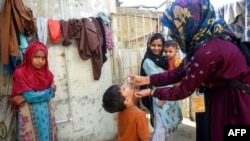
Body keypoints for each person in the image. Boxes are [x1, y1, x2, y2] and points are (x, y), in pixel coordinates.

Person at [129, 0, 250, 141]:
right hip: (223, 96)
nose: (173, 32)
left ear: (190, 21)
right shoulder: (206, 40)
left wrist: (151, 92)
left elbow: (183, 90)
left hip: (235, 102)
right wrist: (147, 79)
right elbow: (179, 72)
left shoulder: (205, 52)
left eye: (176, 26)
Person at [11, 41, 58, 141]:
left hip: (46, 113)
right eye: (36, 57)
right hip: (28, 113)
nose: (40, 61)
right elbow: (30, 96)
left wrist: (26, 97)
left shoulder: (47, 74)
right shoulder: (20, 73)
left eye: (43, 58)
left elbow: (29, 96)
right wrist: (50, 91)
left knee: (47, 136)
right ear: (29, 56)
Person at [140, 33, 182, 141]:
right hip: (160, 97)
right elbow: (160, 80)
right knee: (160, 129)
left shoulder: (165, 59)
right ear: (149, 45)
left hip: (171, 98)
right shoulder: (148, 61)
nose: (156, 48)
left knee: (170, 129)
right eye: (153, 45)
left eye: (159, 45)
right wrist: (175, 84)